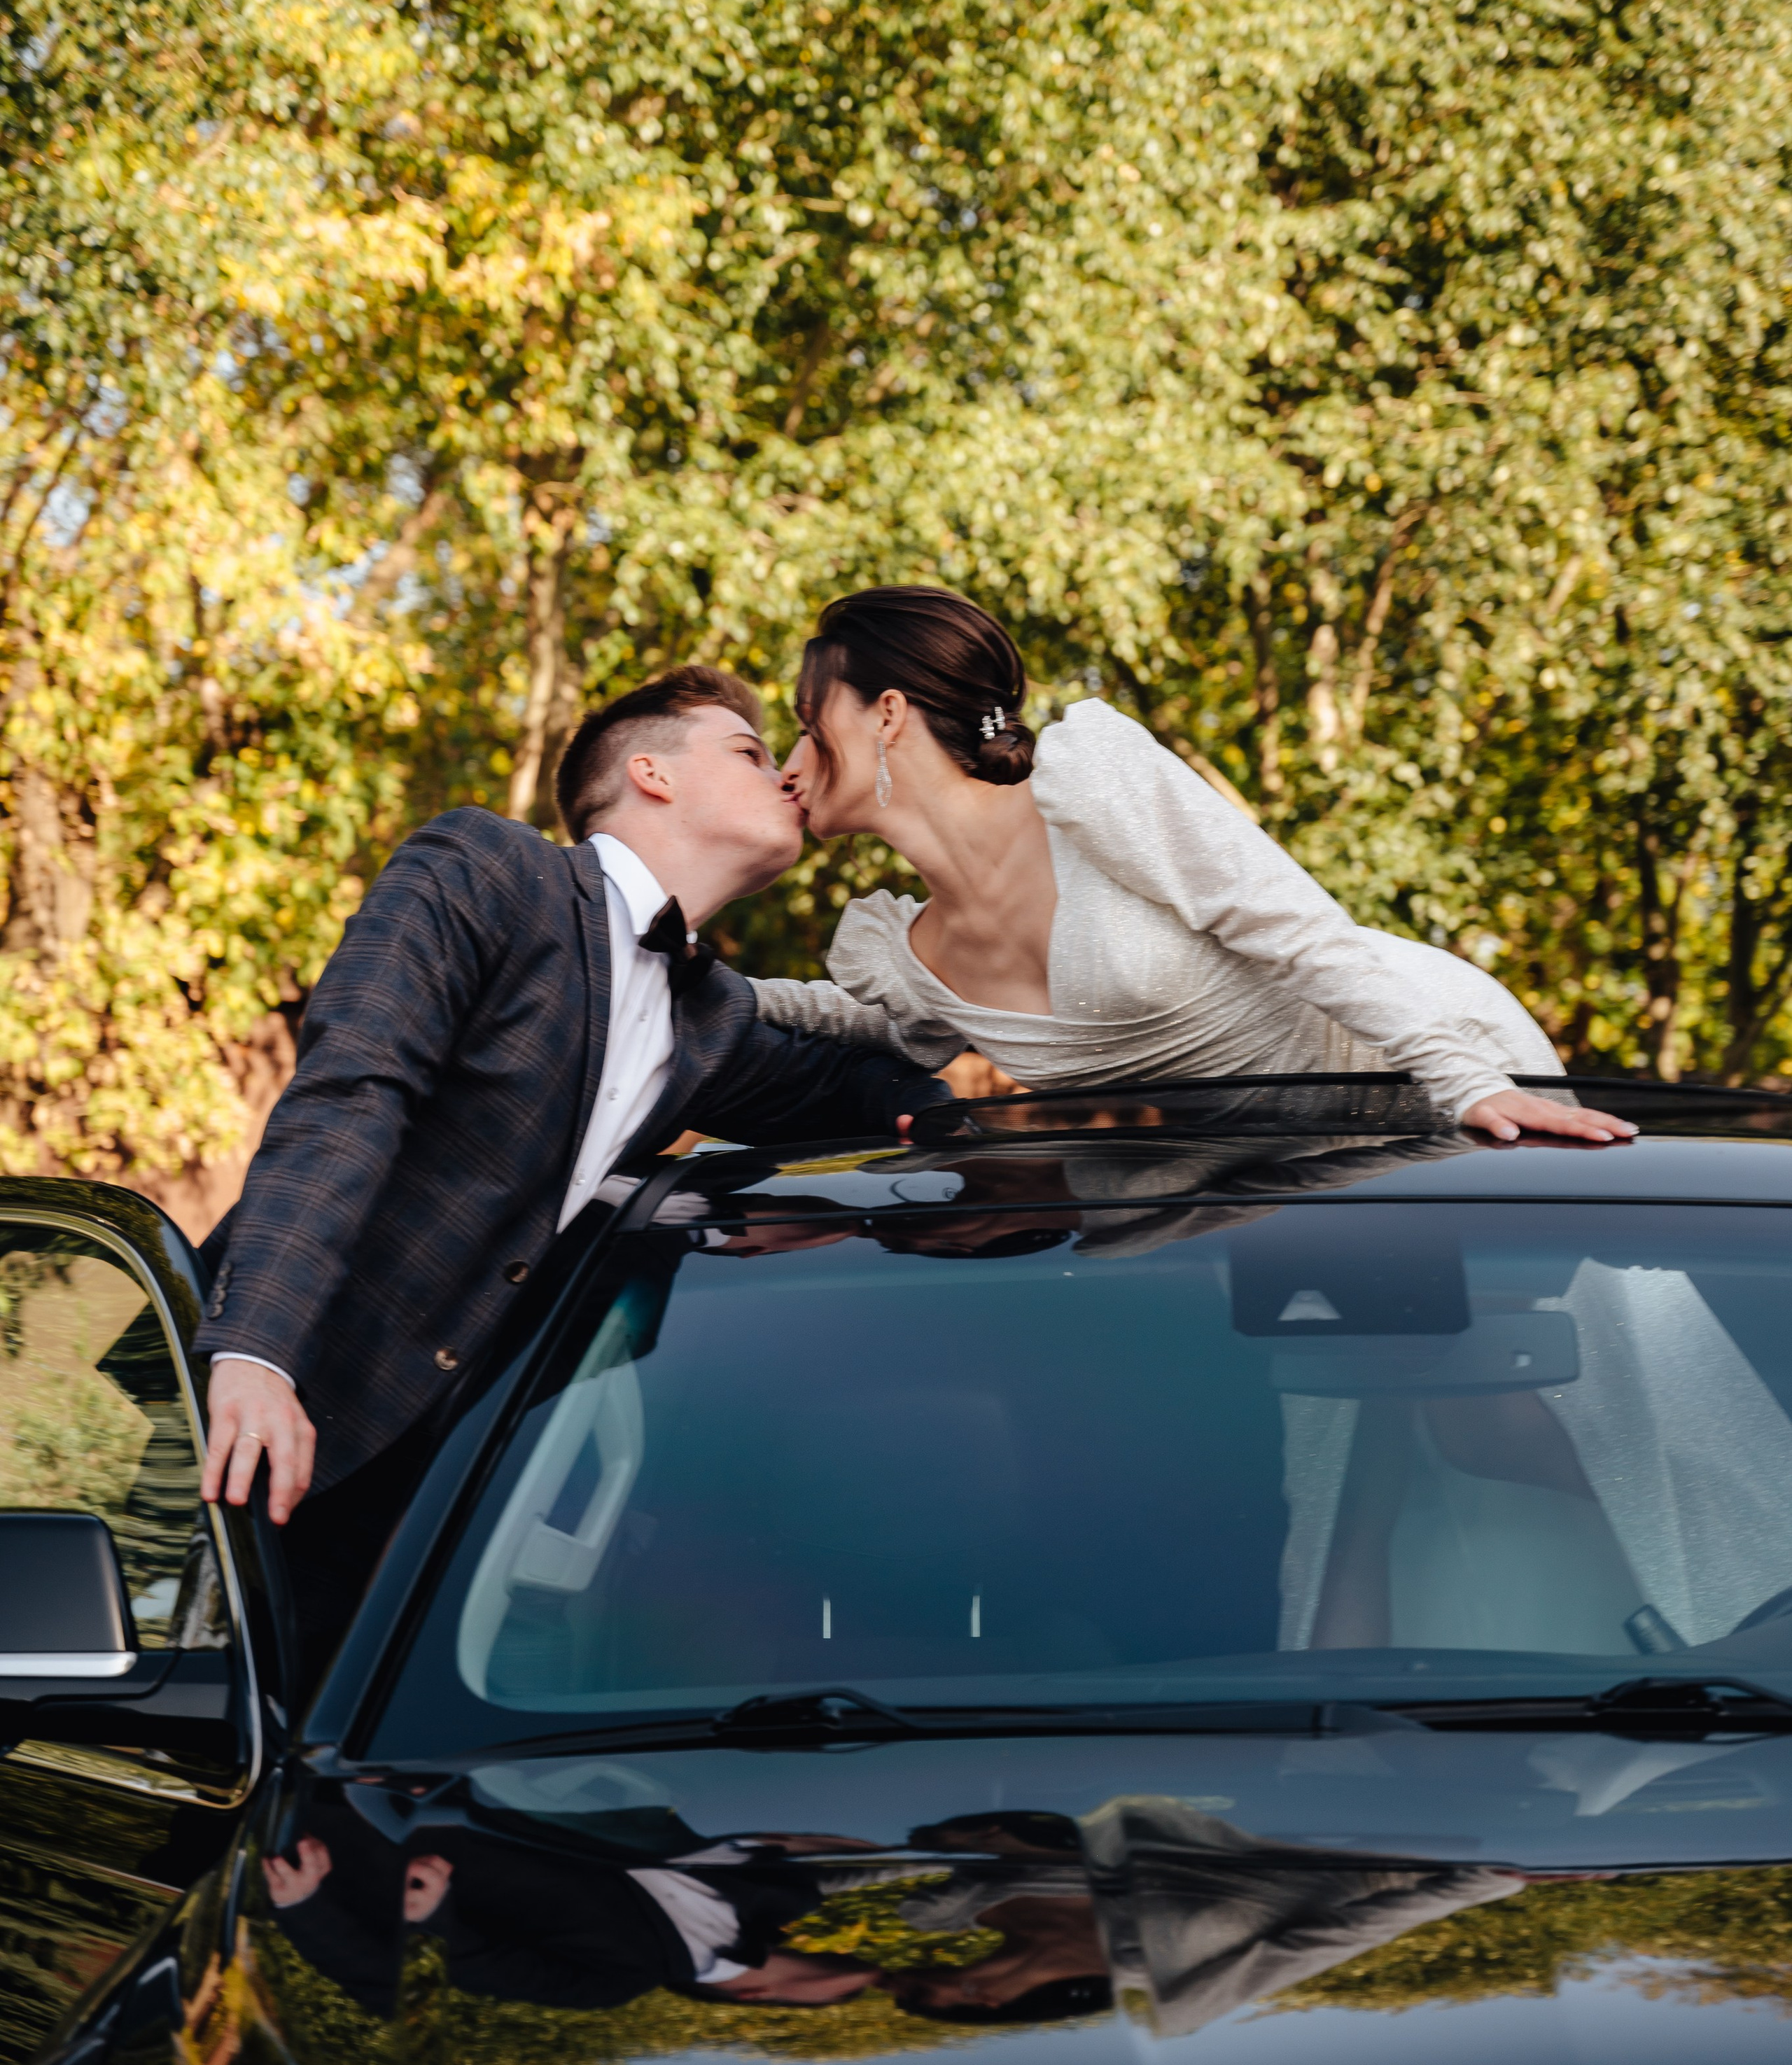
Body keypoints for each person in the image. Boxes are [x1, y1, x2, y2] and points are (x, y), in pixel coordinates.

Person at [195, 664, 948, 1668]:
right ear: (651, 773)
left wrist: (966, 1135)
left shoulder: (710, 1015)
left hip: (439, 1523)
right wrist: (254, 1355)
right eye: (751, 752)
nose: (786, 777)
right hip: (250, 1433)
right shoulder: (485, 870)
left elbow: (863, 1088)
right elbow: (353, 1093)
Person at [749, 587, 1634, 1149]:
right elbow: (864, 1024)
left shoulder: (1090, 784)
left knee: (1512, 1386)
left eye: (803, 715)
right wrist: (714, 984)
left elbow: (1294, 926)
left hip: (1437, 1062)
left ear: (887, 713)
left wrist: (1470, 1082)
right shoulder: (905, 952)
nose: (787, 761)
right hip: (1278, 1173)